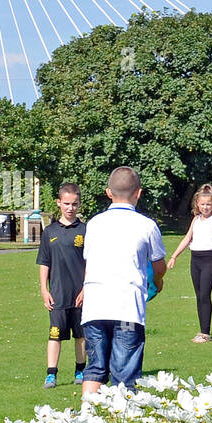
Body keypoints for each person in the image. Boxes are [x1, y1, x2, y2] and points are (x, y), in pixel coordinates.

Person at [80, 167, 167, 396]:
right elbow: (159, 266)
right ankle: (122, 421)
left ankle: (86, 418)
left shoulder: (94, 223)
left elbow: (88, 263)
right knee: (124, 373)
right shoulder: (146, 225)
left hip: (95, 308)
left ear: (109, 192)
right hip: (127, 309)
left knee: (95, 368)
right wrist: (158, 281)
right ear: (138, 193)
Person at [37, 183, 87, 387]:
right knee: (55, 334)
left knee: (81, 335)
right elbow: (44, 262)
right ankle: (51, 374)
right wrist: (44, 289)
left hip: (80, 293)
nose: (70, 208)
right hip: (57, 293)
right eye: (66, 203)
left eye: (74, 204)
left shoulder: (85, 230)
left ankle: (80, 371)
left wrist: (86, 289)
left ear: (79, 204)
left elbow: (91, 262)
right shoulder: (49, 231)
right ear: (59, 203)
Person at [167, 183, 212, 343]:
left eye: (208, 204)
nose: (205, 207)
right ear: (197, 204)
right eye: (202, 204)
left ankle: (205, 333)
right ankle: (201, 331)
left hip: (210, 258)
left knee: (205, 295)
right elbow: (187, 238)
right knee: (199, 296)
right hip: (196, 259)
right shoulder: (196, 219)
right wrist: (174, 256)